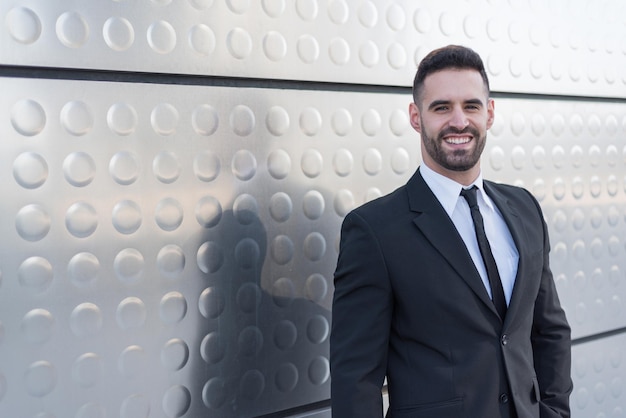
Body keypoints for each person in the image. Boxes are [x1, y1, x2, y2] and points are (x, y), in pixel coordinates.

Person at [330, 45, 572, 418]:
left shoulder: (524, 208)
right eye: (441, 107)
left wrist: (554, 412)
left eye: (471, 106)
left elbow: (549, 330)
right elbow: (355, 378)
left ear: (489, 114)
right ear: (416, 117)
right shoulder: (374, 231)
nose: (458, 121)